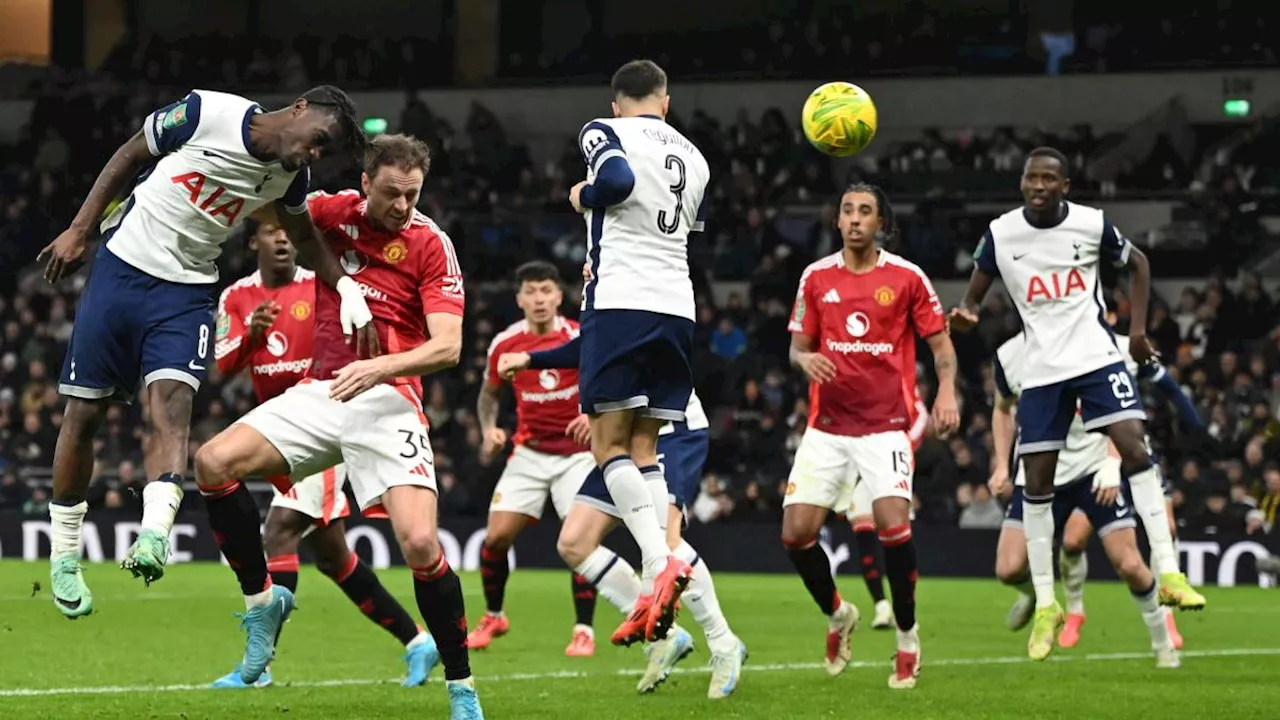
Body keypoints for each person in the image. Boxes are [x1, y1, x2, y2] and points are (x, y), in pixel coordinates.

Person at [40, 85, 371, 618]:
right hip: (121, 269)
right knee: (85, 413)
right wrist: (80, 230)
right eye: (318, 141)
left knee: (171, 406)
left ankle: (153, 536)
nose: (313, 155)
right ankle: (64, 557)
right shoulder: (205, 112)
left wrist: (346, 287)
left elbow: (305, 237)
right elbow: (130, 153)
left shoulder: (291, 177)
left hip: (187, 291)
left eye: (322, 153)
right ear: (301, 110)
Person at [192, 134, 484, 718]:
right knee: (212, 463)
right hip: (321, 392)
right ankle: (262, 605)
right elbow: (271, 207)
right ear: (366, 182)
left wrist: (380, 366)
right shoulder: (332, 212)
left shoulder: (430, 243)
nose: (402, 206)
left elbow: (448, 347)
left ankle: (462, 688)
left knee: (422, 544)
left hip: (389, 399)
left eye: (413, 194)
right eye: (392, 193)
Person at [949, 146, 1205, 661]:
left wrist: (1134, 333)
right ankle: (1047, 605)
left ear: (1065, 186)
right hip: (1043, 371)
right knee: (1037, 483)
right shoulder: (1001, 235)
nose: (1038, 185)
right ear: (1021, 182)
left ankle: (1170, 572)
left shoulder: (1091, 225)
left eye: (1049, 178)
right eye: (1030, 177)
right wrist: (967, 314)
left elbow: (1140, 264)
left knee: (1134, 449)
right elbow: (973, 295)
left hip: (1094, 357)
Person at [207, 217, 437, 688]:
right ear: (254, 241)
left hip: (329, 420)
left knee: (280, 530)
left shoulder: (324, 284)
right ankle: (418, 640)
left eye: (289, 234)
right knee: (333, 558)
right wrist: (252, 335)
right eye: (273, 233)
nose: (283, 241)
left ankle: (261, 666)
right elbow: (223, 370)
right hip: (280, 427)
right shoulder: (237, 297)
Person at [782, 183, 960, 690]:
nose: (855, 219)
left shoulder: (907, 278)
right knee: (795, 534)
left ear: (881, 222)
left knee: (891, 526)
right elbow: (797, 347)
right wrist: (805, 359)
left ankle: (907, 637)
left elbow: (941, 347)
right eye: (847, 210)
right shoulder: (815, 278)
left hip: (885, 426)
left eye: (865, 211)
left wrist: (946, 392)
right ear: (836, 221)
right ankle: (839, 614)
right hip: (828, 427)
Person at [500, 341, 746, 700]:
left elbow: (648, 346)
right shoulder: (596, 288)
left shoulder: (640, 289)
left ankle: (724, 644)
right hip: (616, 435)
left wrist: (600, 408)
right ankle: (664, 635)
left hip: (666, 426)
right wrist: (531, 359)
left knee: (667, 542)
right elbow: (592, 342)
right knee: (574, 542)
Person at [568, 59, 711, 645]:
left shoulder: (603, 130)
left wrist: (582, 195)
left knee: (608, 444)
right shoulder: (696, 157)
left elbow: (618, 184)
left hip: (621, 300)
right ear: (666, 102)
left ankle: (659, 563)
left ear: (617, 100)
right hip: (677, 308)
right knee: (647, 443)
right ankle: (666, 556)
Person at [989, 332, 1180, 669]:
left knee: (1131, 565)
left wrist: (1112, 460)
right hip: (1038, 475)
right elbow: (1002, 408)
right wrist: (1001, 464)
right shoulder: (1009, 355)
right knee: (1008, 569)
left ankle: (1163, 643)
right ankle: (1036, 595)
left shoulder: (1093, 344)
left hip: (1093, 472)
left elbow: (1120, 412)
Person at [467, 260, 604, 657]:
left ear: (560, 296)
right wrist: (489, 428)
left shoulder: (581, 337)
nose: (539, 299)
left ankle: (584, 630)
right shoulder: (505, 344)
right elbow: (488, 394)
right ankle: (494, 614)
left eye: (546, 291)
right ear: (519, 299)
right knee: (495, 538)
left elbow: (608, 382)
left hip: (577, 455)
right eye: (531, 291)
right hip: (528, 453)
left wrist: (590, 414)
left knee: (577, 541)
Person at [1049, 299, 1203, 650]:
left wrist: (1196, 425)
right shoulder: (1066, 353)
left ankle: (1168, 616)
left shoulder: (1127, 348)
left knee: (1167, 528)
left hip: (1134, 453)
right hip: (1093, 460)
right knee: (1073, 541)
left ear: (1112, 315)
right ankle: (1075, 610)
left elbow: (1168, 386)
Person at [842, 384, 929, 631]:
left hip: (891, 466)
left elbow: (921, 416)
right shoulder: (854, 380)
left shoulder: (899, 380)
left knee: (897, 541)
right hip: (860, 472)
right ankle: (881, 605)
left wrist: (902, 447)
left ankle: (906, 610)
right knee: (864, 534)